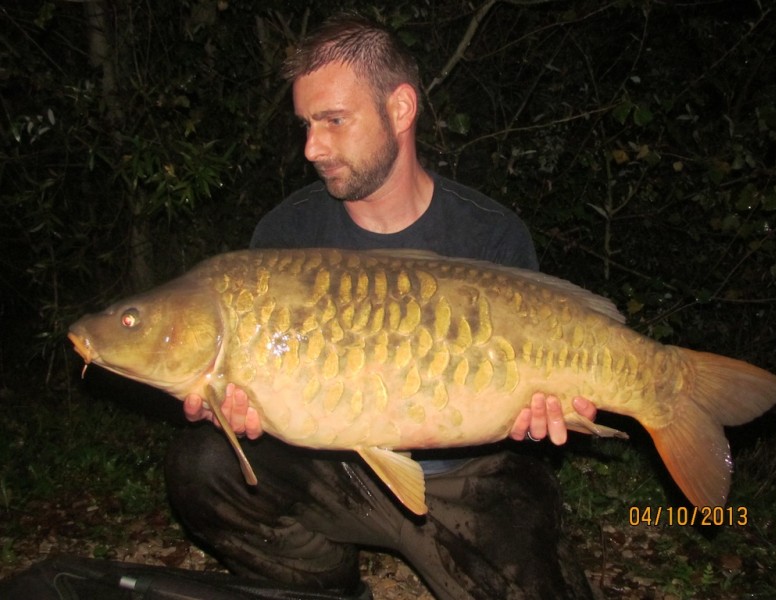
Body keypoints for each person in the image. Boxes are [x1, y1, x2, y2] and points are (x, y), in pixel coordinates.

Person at [167, 14, 597, 600]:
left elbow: (527, 394)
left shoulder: (491, 236)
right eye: (306, 125)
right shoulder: (285, 234)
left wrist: (542, 416)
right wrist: (231, 410)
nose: (312, 147)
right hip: (335, 472)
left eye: (334, 121)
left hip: (468, 481)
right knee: (203, 464)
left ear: (400, 109)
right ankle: (324, 586)